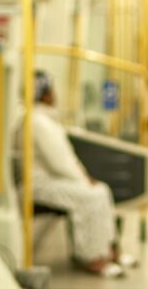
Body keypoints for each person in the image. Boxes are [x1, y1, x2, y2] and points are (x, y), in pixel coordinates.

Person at [22, 71, 129, 278]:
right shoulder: (39, 122)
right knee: (90, 197)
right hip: (40, 184)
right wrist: (83, 180)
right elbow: (59, 163)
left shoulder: (44, 120)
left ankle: (108, 251)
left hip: (53, 180)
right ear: (45, 95)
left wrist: (85, 178)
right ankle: (92, 257)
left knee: (101, 190)